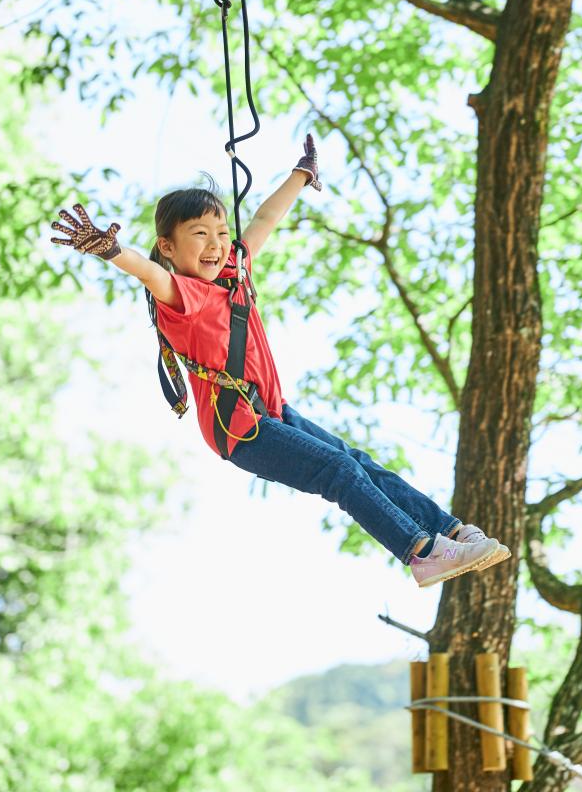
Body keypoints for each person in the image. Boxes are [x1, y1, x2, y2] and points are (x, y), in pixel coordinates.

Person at [50, 134, 510, 588]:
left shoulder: (233, 273)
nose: (215, 245)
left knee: (356, 461)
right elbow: (146, 271)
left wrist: (301, 174)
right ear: (168, 246)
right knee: (340, 472)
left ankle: (449, 531)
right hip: (241, 429)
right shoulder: (180, 297)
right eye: (199, 235)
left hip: (271, 412)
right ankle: (420, 552)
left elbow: (265, 218)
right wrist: (107, 249)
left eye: (221, 233)